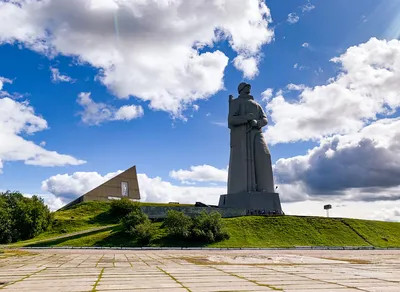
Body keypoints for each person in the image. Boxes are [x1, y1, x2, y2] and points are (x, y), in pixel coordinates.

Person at [227, 82, 275, 194]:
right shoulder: (236, 102)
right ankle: (242, 190)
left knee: (265, 156)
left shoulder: (257, 105)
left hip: (256, 132)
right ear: (241, 89)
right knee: (243, 162)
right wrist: (245, 118)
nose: (248, 88)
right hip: (242, 135)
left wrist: (257, 122)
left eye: (249, 86)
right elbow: (231, 120)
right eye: (246, 86)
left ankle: (266, 190)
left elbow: (265, 119)